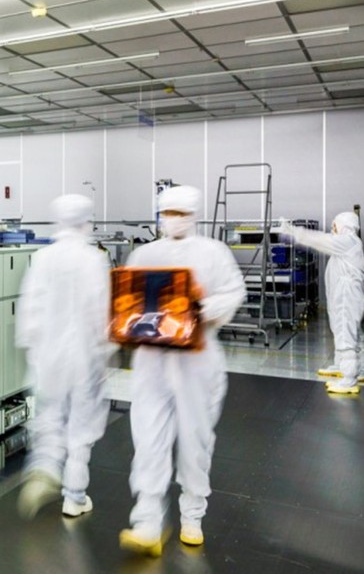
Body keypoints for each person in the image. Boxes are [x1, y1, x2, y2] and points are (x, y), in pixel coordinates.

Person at [120, 186, 245, 556]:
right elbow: (127, 299)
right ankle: (147, 522)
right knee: (148, 438)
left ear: (192, 214)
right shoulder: (145, 254)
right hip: (152, 361)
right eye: (167, 212)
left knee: (195, 440)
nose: (173, 219)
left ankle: (192, 516)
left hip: (196, 361)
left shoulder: (213, 252)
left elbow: (234, 291)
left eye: (180, 212)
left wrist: (200, 308)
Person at [16, 194, 113, 519]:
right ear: (86, 222)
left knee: (50, 416)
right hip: (83, 355)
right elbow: (99, 311)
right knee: (81, 425)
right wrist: (106, 351)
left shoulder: (43, 257)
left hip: (48, 355)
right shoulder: (93, 259)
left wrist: (34, 350)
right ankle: (74, 497)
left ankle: (44, 468)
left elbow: (30, 308)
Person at [280, 213, 364, 395]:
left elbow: (320, 240)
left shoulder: (348, 241)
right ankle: (343, 366)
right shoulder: (347, 244)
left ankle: (349, 378)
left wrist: (295, 232)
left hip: (346, 298)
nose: (333, 229)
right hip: (341, 297)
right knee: (342, 331)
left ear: (345, 225)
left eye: (335, 225)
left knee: (346, 334)